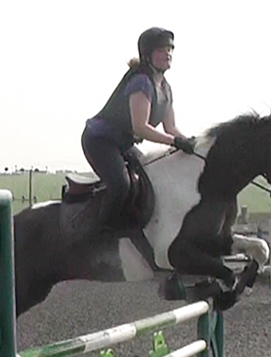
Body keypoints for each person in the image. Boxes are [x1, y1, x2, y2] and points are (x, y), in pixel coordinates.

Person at [81, 27, 196, 230]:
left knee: (147, 179)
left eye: (170, 49)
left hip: (122, 143)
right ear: (147, 55)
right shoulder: (141, 82)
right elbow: (141, 128)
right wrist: (175, 142)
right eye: (161, 50)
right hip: (100, 140)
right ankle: (100, 233)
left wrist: (191, 143)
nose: (167, 54)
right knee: (121, 186)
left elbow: (171, 128)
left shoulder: (165, 89)